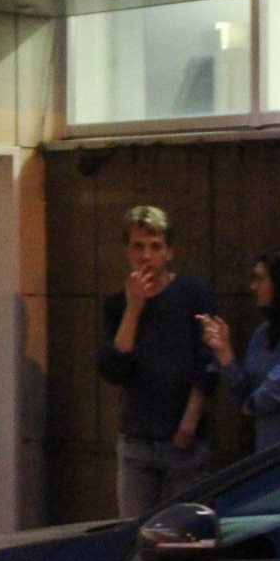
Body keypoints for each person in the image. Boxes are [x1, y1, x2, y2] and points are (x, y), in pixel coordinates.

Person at [97, 205, 220, 516]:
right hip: (137, 437)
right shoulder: (116, 304)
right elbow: (114, 369)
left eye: (155, 247)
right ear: (127, 251)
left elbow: (207, 360)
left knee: (185, 528)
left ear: (169, 251)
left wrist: (189, 422)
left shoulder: (193, 293)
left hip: (184, 434)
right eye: (138, 247)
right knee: (133, 529)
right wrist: (133, 308)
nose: (146, 256)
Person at [199, 246, 280, 453]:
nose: (253, 286)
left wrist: (249, 404)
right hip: (267, 453)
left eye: (260, 279)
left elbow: (271, 395)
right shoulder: (263, 333)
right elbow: (244, 395)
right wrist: (224, 352)